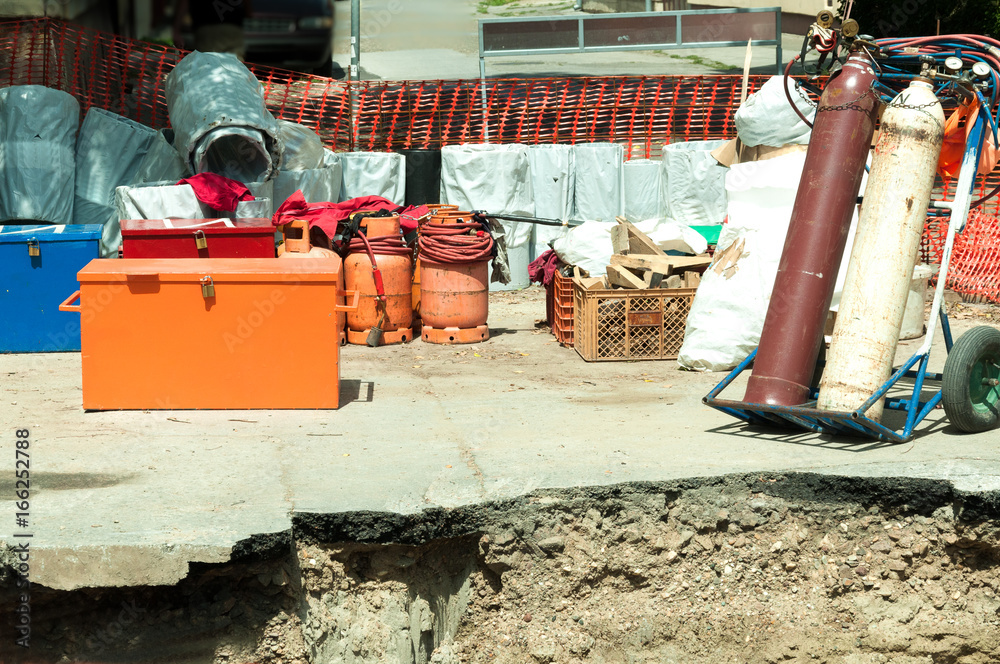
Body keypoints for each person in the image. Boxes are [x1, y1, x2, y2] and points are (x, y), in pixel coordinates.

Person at [173, 0, 252, 60]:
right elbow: (247, 7)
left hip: (208, 29)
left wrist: (176, 30)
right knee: (236, 68)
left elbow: (184, 2)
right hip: (233, 28)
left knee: (209, 66)